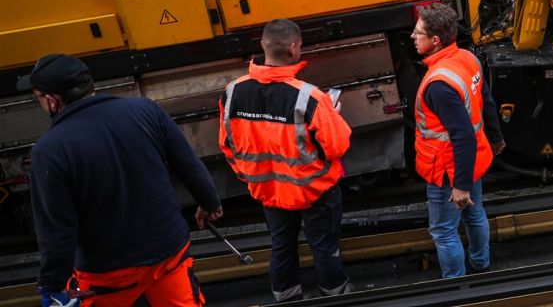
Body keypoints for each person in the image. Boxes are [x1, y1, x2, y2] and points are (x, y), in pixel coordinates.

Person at [25, 54, 222, 307]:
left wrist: (52, 286)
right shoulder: (144, 110)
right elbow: (188, 164)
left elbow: (56, 230)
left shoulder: (50, 150)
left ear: (52, 101)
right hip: (168, 252)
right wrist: (210, 203)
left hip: (108, 272)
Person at [219, 19, 353, 301]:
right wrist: (334, 116)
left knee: (281, 246)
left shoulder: (233, 93)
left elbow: (227, 145)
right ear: (293, 48)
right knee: (325, 248)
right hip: (313, 192)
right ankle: (337, 297)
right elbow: (337, 147)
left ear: (262, 46)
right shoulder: (310, 97)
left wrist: (251, 177)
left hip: (268, 192)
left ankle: (287, 298)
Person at [412, 3, 496, 278]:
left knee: (444, 231)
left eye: (418, 32)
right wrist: (496, 137)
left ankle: (455, 285)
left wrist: (459, 186)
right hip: (471, 160)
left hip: (447, 169)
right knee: (475, 213)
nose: (413, 37)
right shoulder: (467, 58)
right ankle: (481, 264)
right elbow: (487, 101)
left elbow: (461, 135)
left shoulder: (438, 84)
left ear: (435, 41)